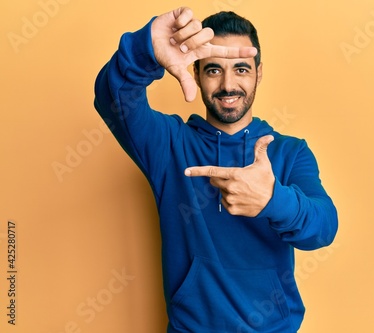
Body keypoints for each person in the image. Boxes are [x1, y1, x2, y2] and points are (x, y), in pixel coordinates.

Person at [94, 6, 338, 333]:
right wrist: (145, 50)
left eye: (240, 69)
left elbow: (324, 227)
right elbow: (112, 96)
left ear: (258, 73)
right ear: (195, 73)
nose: (227, 85)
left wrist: (272, 199)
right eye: (213, 70)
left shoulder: (289, 152)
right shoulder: (168, 145)